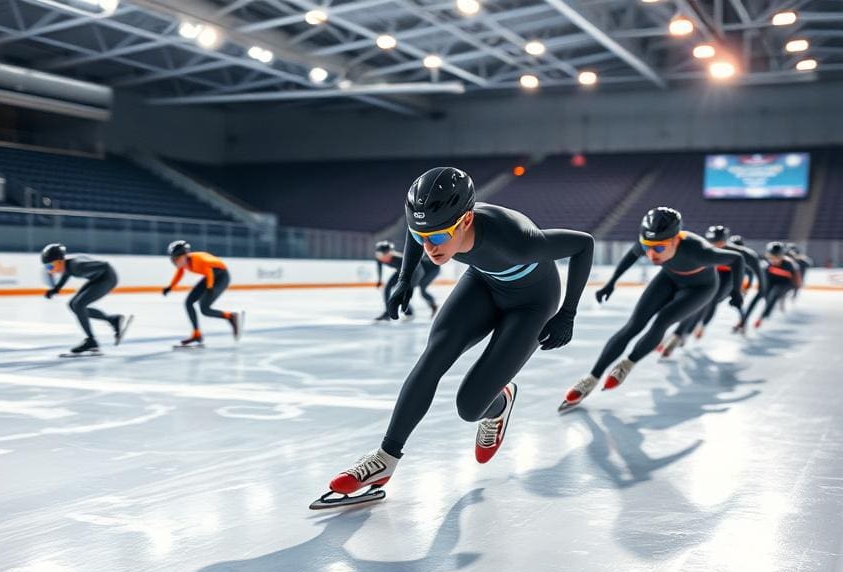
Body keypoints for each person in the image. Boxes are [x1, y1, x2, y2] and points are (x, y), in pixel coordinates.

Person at [312, 167, 594, 510]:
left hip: (532, 305)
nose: (430, 248)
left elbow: (584, 245)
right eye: (421, 236)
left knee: (469, 407)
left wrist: (568, 314)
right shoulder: (437, 230)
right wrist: (405, 279)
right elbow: (421, 235)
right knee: (435, 353)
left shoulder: (515, 239)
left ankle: (500, 403)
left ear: (466, 221)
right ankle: (385, 457)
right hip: (484, 284)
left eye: (438, 238)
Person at [560, 207, 744, 412]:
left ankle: (627, 364)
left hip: (700, 288)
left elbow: (737, 259)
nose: (650, 254)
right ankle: (592, 377)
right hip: (669, 277)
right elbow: (631, 254)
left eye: (657, 249)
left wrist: (736, 292)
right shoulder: (653, 240)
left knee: (662, 321)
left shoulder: (699, 251)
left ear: (675, 240)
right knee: (633, 325)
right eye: (647, 247)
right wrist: (611, 282)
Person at [659, 224, 761, 356]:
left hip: (728, 282)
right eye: (713, 242)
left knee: (709, 302)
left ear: (726, 241)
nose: (716, 246)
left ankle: (691, 330)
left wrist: (743, 288)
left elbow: (748, 274)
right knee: (695, 305)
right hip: (713, 277)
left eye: (719, 243)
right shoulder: (704, 249)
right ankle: (682, 333)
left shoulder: (737, 255)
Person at [42, 243, 131, 356]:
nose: (51, 271)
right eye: (47, 268)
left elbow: (105, 265)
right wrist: (56, 289)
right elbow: (66, 274)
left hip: (108, 278)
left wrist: (95, 266)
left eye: (51, 267)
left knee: (79, 305)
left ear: (60, 261)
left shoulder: (77, 265)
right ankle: (113, 319)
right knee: (72, 304)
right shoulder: (67, 265)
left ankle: (91, 341)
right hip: (98, 278)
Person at [162, 240, 242, 346]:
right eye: (173, 258)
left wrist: (209, 287)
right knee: (188, 302)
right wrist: (170, 287)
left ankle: (230, 316)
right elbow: (179, 273)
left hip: (221, 276)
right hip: (211, 276)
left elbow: (209, 270)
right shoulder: (185, 262)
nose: (174, 261)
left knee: (204, 309)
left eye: (176, 258)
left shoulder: (198, 259)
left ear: (185, 255)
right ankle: (196, 334)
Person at [741, 241, 801, 329]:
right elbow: (762, 282)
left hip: (784, 284)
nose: (774, 260)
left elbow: (797, 282)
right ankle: (743, 321)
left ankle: (761, 318)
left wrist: (793, 291)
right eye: (771, 257)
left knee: (774, 293)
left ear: (782, 256)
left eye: (777, 257)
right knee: (758, 295)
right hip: (771, 282)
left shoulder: (790, 265)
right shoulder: (765, 266)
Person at [373, 240, 414, 321]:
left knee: (400, 292)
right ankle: (388, 312)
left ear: (391, 253)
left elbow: (411, 268)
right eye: (381, 254)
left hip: (408, 274)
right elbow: (379, 268)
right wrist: (379, 280)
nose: (384, 257)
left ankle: (408, 310)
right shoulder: (379, 258)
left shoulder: (399, 258)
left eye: (386, 254)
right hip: (398, 272)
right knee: (387, 289)